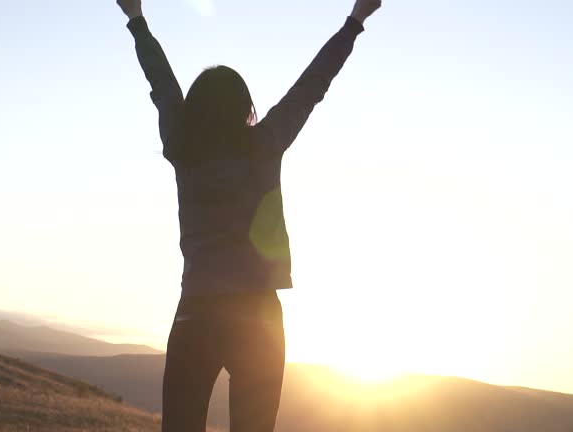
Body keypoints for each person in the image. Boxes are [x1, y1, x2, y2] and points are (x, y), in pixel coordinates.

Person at [116, 0, 382, 430]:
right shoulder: (265, 144)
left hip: (197, 311)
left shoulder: (184, 147)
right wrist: (354, 21)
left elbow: (163, 86)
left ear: (195, 109)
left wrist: (136, 20)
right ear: (246, 108)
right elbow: (312, 85)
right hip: (258, 317)